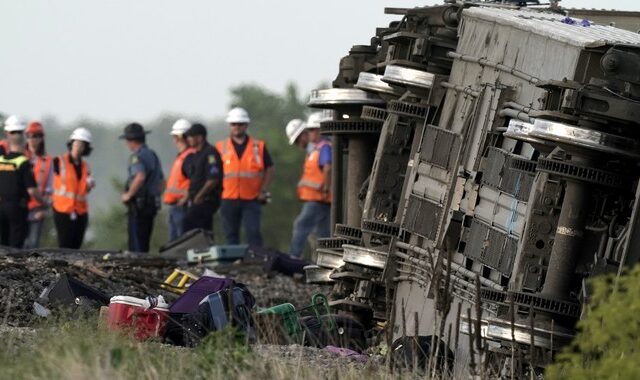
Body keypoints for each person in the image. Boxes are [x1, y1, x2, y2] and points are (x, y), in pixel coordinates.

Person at [215, 107, 274, 246]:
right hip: (228, 198)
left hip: (252, 198)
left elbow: (270, 169)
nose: (237, 127)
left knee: (253, 233)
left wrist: (263, 190)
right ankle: (233, 265)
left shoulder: (258, 146)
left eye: (240, 124)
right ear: (229, 125)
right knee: (231, 235)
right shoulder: (220, 147)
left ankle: (257, 261)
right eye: (234, 124)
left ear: (246, 125)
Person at [285, 113, 333, 258]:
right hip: (319, 199)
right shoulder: (314, 150)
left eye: (311, 130)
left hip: (318, 198)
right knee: (323, 234)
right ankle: (323, 262)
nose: (299, 143)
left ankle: (294, 257)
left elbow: (328, 167)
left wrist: (325, 188)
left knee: (301, 225)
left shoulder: (323, 147)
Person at [0, 116, 45, 248]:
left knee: (3, 244)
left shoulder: (1, 160)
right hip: (17, 208)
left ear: (7, 134)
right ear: (23, 135)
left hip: (1, 206)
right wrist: (43, 203)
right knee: (15, 247)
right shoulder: (23, 162)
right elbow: (32, 190)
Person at [119, 122, 164, 253]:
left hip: (140, 206)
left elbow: (139, 176)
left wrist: (128, 195)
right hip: (151, 204)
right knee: (145, 241)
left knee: (136, 244)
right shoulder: (152, 155)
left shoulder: (136, 157)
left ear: (131, 140)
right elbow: (161, 180)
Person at [52, 128, 95, 249]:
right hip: (63, 210)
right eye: (77, 143)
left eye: (82, 144)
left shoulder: (85, 166)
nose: (78, 147)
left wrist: (89, 185)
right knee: (65, 244)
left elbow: (83, 189)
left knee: (76, 245)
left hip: (80, 211)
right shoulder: (58, 162)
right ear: (71, 144)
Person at [182, 123, 223, 234]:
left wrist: (200, 195)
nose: (188, 140)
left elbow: (213, 179)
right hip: (197, 199)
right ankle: (204, 250)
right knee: (203, 231)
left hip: (206, 199)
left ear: (200, 138)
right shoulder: (197, 155)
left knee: (188, 225)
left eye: (191, 137)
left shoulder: (210, 153)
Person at [163, 119, 194, 242]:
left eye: (176, 137)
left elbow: (194, 181)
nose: (175, 140)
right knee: (175, 244)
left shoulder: (189, 157)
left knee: (181, 242)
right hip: (176, 206)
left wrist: (186, 198)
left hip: (182, 206)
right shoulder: (182, 157)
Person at [23, 121, 54, 249]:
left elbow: (50, 188)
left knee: (33, 244)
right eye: (30, 135)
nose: (33, 139)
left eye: (36, 136)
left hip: (37, 208)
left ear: (42, 138)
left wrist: (44, 209)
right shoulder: (20, 157)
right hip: (20, 207)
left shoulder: (47, 161)